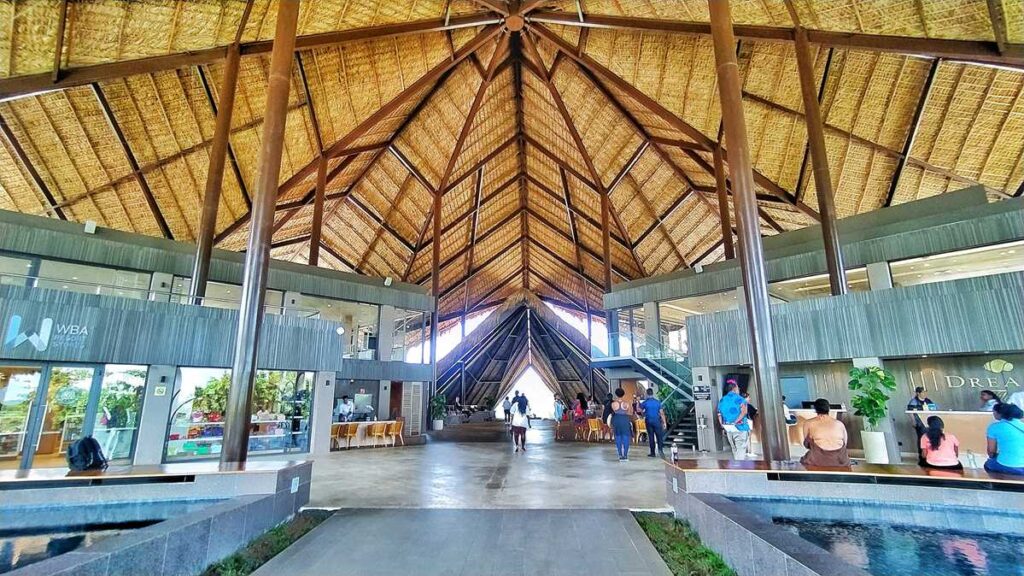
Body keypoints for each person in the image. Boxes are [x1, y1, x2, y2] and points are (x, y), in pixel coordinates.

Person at [800, 398, 850, 467]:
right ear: (828, 408)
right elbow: (845, 443)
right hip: (841, 461)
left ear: (815, 409)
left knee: (804, 460)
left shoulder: (808, 423)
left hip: (817, 461)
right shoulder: (840, 424)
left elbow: (807, 444)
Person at [985, 402, 1024, 476]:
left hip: (1006, 465)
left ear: (1000, 414)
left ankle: (996, 485)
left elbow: (991, 451)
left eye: (994, 412)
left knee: (988, 465)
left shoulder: (994, 427)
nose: (994, 414)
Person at [717, 382, 750, 460]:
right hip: (740, 427)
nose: (738, 390)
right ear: (734, 388)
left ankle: (736, 466)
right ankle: (740, 469)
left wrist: (722, 425)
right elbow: (744, 412)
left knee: (734, 448)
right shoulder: (740, 399)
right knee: (741, 448)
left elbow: (719, 414)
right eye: (738, 388)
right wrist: (735, 422)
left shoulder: (722, 400)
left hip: (728, 428)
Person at [607, 388, 634, 461]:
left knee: (618, 436)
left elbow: (613, 412)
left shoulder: (613, 404)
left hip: (616, 419)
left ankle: (620, 455)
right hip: (625, 419)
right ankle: (625, 455)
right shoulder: (626, 403)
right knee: (626, 437)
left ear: (616, 394)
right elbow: (630, 413)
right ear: (623, 394)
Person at [640, 389, 667, 458]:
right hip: (657, 421)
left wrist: (644, 414)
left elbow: (640, 410)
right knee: (659, 436)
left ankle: (652, 453)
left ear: (647, 394)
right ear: (652, 393)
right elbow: (661, 413)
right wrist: (664, 422)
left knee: (651, 437)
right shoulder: (657, 402)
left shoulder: (645, 402)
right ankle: (661, 451)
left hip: (648, 421)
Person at [741, 392, 758, 458]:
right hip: (748, 421)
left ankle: (744, 451)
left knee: (743, 437)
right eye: (748, 397)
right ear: (745, 398)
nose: (749, 399)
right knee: (748, 437)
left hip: (741, 422)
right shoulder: (748, 405)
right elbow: (754, 412)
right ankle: (749, 451)